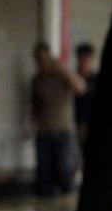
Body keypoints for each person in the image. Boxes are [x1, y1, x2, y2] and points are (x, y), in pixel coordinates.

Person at [31, 41, 85, 197]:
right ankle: (46, 203)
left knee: (64, 169)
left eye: (43, 59)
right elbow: (35, 104)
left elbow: (80, 88)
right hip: (44, 130)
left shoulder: (62, 75)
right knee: (44, 171)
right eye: (37, 60)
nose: (41, 63)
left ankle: (66, 197)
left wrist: (63, 69)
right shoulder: (37, 79)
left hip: (64, 130)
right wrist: (31, 125)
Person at [74, 42, 97, 158]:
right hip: (76, 122)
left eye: (85, 58)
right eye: (80, 57)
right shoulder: (72, 79)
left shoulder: (95, 79)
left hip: (91, 121)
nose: (83, 61)